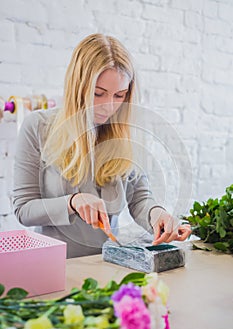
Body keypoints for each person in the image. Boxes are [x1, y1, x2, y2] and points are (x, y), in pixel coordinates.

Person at [13, 33, 191, 258]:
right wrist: (72, 202)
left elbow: (139, 199)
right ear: (79, 87)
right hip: (52, 265)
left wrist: (158, 216)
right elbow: (24, 209)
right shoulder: (38, 127)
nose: (109, 107)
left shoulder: (125, 134)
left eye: (119, 95)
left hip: (106, 263)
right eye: (98, 93)